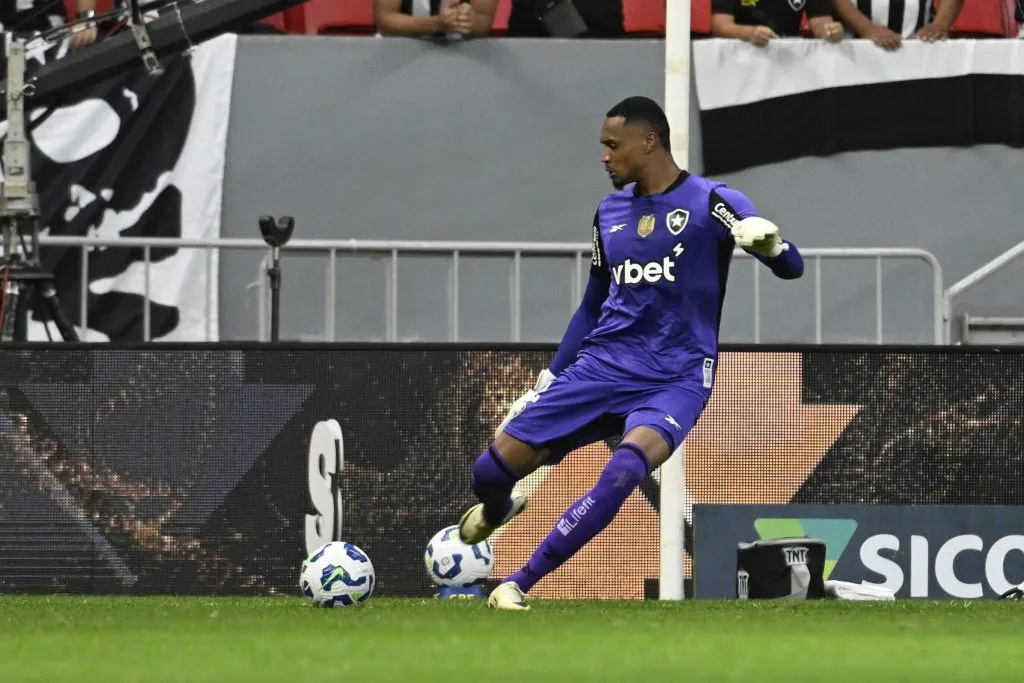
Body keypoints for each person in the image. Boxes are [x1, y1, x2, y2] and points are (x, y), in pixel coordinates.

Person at [455, 96, 805, 610]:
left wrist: (771, 247)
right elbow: (592, 304)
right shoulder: (609, 212)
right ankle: (498, 507)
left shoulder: (713, 201)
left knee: (623, 470)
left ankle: (517, 582)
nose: (604, 156)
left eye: (612, 145)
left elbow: (792, 267)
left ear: (649, 141)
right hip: (602, 365)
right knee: (488, 473)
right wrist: (548, 380)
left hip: (676, 376)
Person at [711, 0, 843, 45]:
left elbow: (820, 21)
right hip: (741, 56)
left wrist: (830, 30)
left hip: (789, 60)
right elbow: (720, 25)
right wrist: (750, 33)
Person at [374, 0, 498, 39]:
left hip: (459, 53)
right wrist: (436, 24)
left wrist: (469, 21)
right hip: (401, 50)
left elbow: (484, 20)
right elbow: (385, 21)